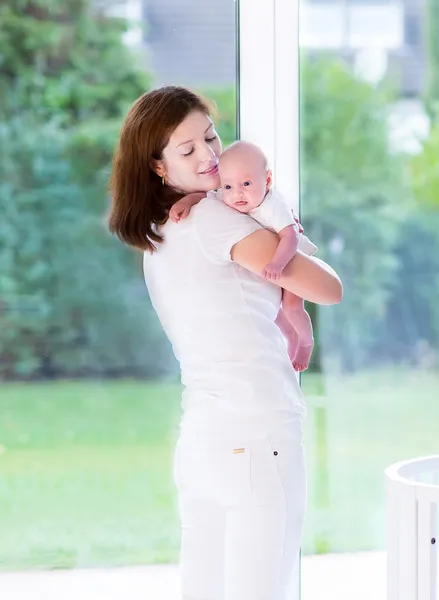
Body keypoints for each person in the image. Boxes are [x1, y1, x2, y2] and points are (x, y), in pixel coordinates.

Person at [107, 85, 343, 600]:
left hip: (204, 441)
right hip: (257, 434)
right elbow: (328, 288)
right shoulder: (213, 220)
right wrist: (282, 226)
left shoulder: (161, 231)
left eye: (211, 138)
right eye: (187, 150)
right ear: (158, 168)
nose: (210, 156)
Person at [168, 140, 317, 372]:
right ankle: (290, 340)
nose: (237, 193)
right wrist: (186, 201)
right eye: (228, 186)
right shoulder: (225, 197)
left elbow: (291, 237)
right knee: (274, 313)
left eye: (246, 184)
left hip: (289, 258)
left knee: (291, 307)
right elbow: (207, 196)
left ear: (267, 180)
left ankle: (306, 343)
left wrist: (278, 264)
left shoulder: (272, 204)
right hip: (266, 261)